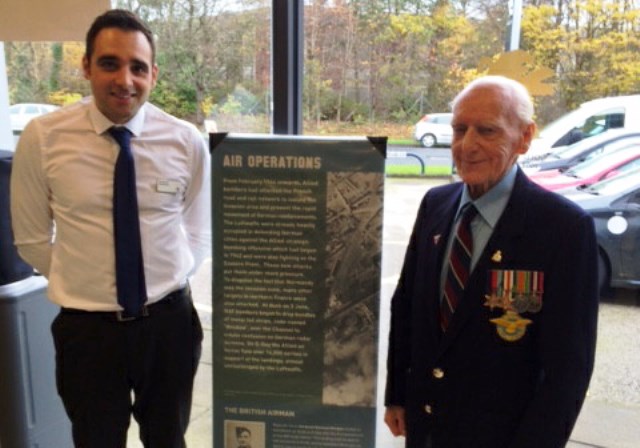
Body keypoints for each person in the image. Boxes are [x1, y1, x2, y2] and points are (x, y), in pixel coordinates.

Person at [10, 9, 211, 448]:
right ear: (85, 66)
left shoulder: (184, 140)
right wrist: (84, 280)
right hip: (88, 334)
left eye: (138, 67)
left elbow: (198, 230)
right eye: (109, 63)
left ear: (153, 74)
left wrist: (166, 280)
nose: (125, 79)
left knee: (169, 439)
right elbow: (30, 238)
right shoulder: (43, 138)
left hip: (168, 326)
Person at [384, 76, 598, 447]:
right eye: (459, 129)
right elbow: (406, 307)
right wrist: (397, 394)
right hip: (427, 428)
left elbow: (568, 371)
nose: (467, 146)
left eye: (487, 130)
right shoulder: (436, 205)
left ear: (525, 137)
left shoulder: (563, 228)